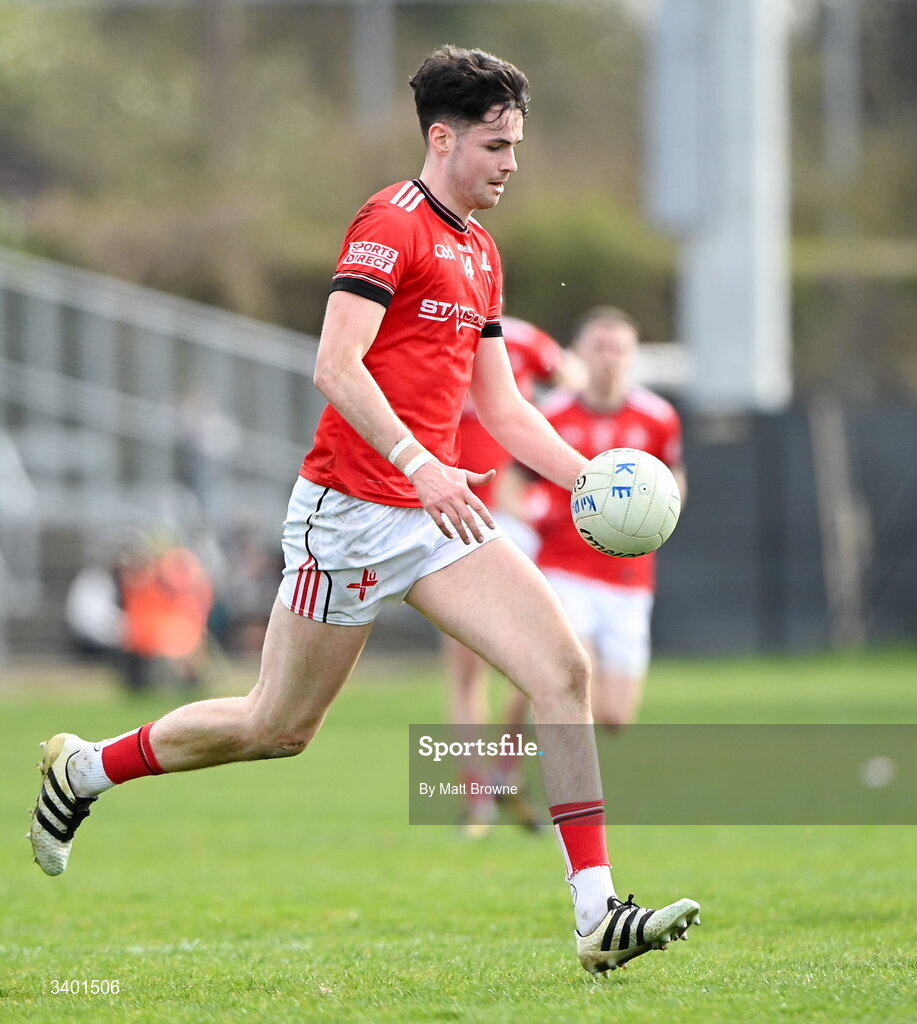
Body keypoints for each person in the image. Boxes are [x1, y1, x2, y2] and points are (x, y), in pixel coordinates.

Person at [28, 46, 699, 975]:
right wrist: (421, 463)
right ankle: (88, 769)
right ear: (443, 137)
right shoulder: (390, 224)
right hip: (347, 513)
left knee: (560, 670)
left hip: (437, 516)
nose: (512, 163)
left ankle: (596, 914)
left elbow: (501, 409)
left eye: (517, 146)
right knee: (277, 728)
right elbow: (334, 366)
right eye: (497, 145)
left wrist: (589, 479)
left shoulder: (479, 251)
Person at [507, 307, 685, 727]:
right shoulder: (550, 415)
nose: (610, 357)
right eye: (600, 347)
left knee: (614, 717)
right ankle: (512, 769)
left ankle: (524, 694)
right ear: (579, 353)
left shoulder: (658, 417)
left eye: (619, 348)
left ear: (633, 355)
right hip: (565, 569)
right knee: (572, 683)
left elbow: (675, 481)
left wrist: (657, 516)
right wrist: (536, 511)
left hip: (629, 576)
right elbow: (510, 486)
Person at [445, 314, 582, 837]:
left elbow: (569, 394)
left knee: (537, 660)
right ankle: (476, 797)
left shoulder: (522, 340)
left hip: (511, 520)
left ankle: (507, 773)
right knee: (467, 669)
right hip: (449, 514)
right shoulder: (427, 333)